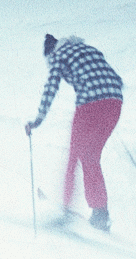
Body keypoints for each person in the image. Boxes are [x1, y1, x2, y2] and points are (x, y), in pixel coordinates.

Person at [25, 34, 123, 232]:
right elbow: (117, 80)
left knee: (74, 156)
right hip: (115, 103)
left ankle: (67, 209)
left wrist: (38, 119)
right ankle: (100, 214)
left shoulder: (58, 55)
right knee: (91, 157)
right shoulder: (91, 50)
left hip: (89, 104)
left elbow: (51, 87)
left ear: (50, 53)